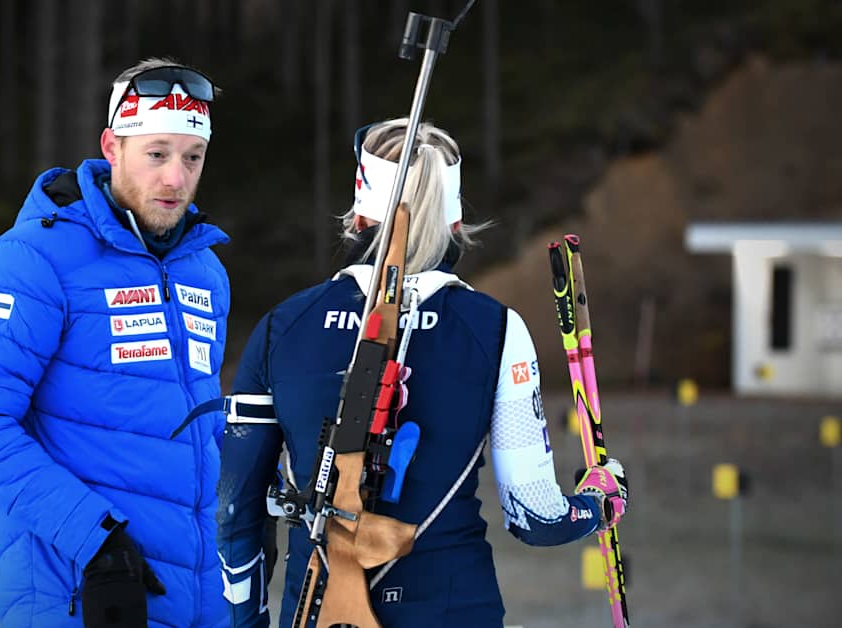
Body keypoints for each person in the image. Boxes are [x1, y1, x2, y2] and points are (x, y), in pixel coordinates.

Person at [216, 118, 628, 627]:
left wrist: (247, 621)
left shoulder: (284, 325)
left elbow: (236, 513)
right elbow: (536, 518)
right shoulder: (494, 328)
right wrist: (600, 500)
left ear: (358, 216)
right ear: (456, 224)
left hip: (315, 611)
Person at [0, 58, 231, 628]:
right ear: (112, 146)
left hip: (197, 599)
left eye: (191, 157)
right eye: (156, 154)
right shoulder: (31, 261)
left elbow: (197, 431)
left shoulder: (205, 271)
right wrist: (96, 539)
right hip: (80, 593)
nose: (175, 178)